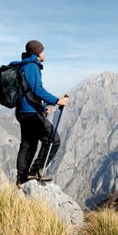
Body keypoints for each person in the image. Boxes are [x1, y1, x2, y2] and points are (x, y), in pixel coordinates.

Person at [11, 40, 69, 186]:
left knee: (28, 143)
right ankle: (35, 171)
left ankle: (22, 178)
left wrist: (43, 108)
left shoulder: (22, 66)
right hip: (31, 113)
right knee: (53, 140)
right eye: (42, 51)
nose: (44, 53)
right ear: (37, 53)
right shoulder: (32, 67)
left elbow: (28, 92)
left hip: (23, 111)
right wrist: (57, 101)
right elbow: (37, 89)